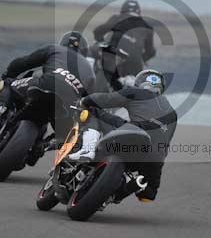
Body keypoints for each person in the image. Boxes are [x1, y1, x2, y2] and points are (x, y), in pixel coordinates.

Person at [74, 69, 177, 202]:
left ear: (140, 82)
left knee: (92, 112)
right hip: (155, 159)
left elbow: (105, 99)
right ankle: (124, 190)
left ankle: (87, 149)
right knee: (147, 194)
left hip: (132, 138)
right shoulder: (173, 113)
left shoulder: (136, 92)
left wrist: (85, 101)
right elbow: (166, 142)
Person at [0, 31, 95, 140]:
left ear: (63, 43)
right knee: (67, 133)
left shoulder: (55, 49)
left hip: (44, 85)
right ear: (84, 51)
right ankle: (46, 144)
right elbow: (91, 102)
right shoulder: (90, 72)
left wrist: (9, 74)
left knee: (8, 84)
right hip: (66, 105)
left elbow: (23, 62)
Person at [92, 0, 157, 91]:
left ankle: (91, 95)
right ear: (139, 12)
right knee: (135, 87)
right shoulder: (147, 27)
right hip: (134, 62)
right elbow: (150, 52)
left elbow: (98, 31)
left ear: (123, 10)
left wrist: (100, 40)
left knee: (99, 62)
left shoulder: (117, 18)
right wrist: (142, 58)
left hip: (113, 54)